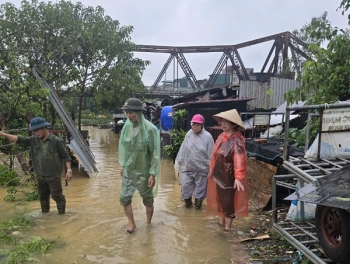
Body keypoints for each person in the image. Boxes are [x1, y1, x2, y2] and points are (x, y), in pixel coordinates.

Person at [0, 117, 72, 214]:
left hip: (53, 176)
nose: (35, 133)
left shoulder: (57, 141)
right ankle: (45, 215)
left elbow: (65, 157)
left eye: (37, 130)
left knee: (56, 196)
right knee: (43, 196)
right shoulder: (34, 140)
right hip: (40, 175)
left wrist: (69, 171)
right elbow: (19, 139)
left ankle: (61, 215)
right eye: (34, 131)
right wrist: (2, 134)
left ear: (44, 128)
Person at [118, 98, 161, 234]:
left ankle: (148, 224)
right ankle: (132, 225)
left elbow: (155, 153)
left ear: (139, 113)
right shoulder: (127, 128)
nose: (129, 115)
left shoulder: (150, 130)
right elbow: (125, 148)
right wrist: (123, 165)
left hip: (144, 171)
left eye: (132, 113)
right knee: (124, 198)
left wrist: (152, 174)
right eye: (127, 112)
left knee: (148, 200)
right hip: (129, 170)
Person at [205, 109, 248, 232]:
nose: (223, 124)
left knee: (228, 199)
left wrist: (239, 177)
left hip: (230, 173)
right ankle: (221, 221)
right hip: (219, 171)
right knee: (219, 197)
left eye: (226, 122)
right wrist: (211, 169)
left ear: (233, 124)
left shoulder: (237, 139)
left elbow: (239, 159)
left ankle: (228, 227)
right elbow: (214, 154)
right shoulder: (221, 136)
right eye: (222, 121)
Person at [175, 114, 214, 209]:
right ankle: (187, 205)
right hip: (188, 167)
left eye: (197, 125)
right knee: (185, 186)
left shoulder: (208, 136)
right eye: (193, 125)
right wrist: (179, 161)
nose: (195, 127)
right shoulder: (189, 134)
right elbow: (184, 148)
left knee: (200, 190)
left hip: (202, 169)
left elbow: (211, 153)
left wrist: (211, 167)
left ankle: (198, 207)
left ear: (202, 125)